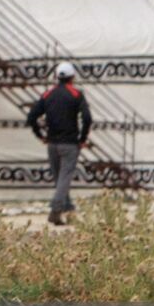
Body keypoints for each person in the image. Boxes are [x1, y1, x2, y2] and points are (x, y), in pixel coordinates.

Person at [25, 61, 92, 226]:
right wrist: (82, 139)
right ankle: (56, 210)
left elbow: (31, 117)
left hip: (52, 144)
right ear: (73, 77)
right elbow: (87, 118)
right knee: (65, 178)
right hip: (70, 144)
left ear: (56, 77)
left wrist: (40, 135)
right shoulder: (76, 94)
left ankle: (68, 210)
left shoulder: (48, 95)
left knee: (60, 179)